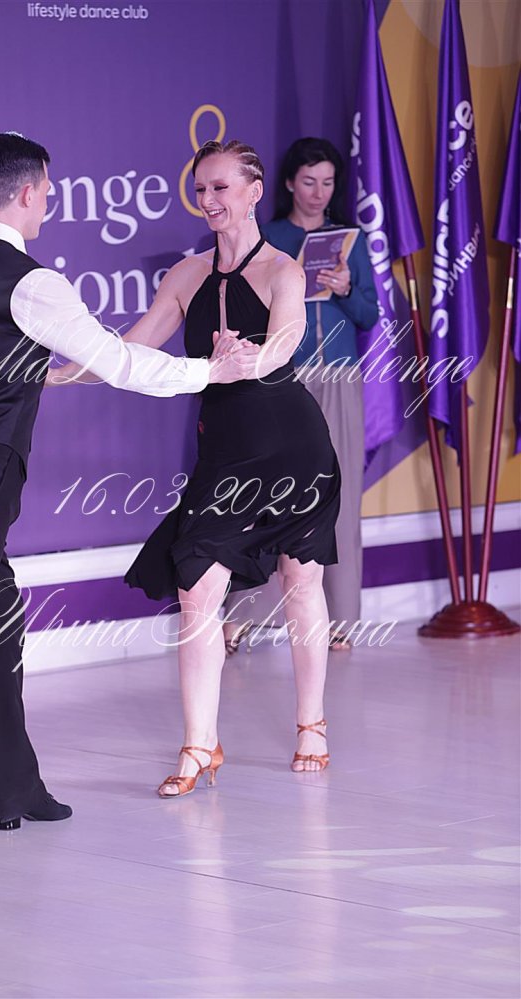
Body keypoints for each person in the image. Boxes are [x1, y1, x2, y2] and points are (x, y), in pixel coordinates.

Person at [0, 132, 257, 854]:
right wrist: (210, 372)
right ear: (28, 192)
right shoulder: (33, 282)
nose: (50, 200)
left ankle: (17, 786)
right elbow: (121, 363)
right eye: (47, 189)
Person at [124, 140, 341, 793]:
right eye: (201, 189)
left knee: (300, 581)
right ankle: (199, 745)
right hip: (224, 459)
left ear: (253, 192)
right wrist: (57, 372)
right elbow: (133, 349)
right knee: (196, 589)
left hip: (293, 449)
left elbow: (286, 340)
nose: (209, 200)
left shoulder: (283, 270)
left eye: (221, 188)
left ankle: (312, 723)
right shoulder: (185, 276)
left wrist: (250, 359)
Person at [260, 137, 378, 650]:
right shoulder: (269, 237)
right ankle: (253, 615)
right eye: (309, 181)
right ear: (290, 183)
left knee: (341, 494)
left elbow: (370, 315)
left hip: (340, 377)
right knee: (272, 492)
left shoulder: (350, 240)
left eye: (328, 182)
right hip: (285, 377)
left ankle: (340, 618)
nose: (318, 192)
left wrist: (346, 288)